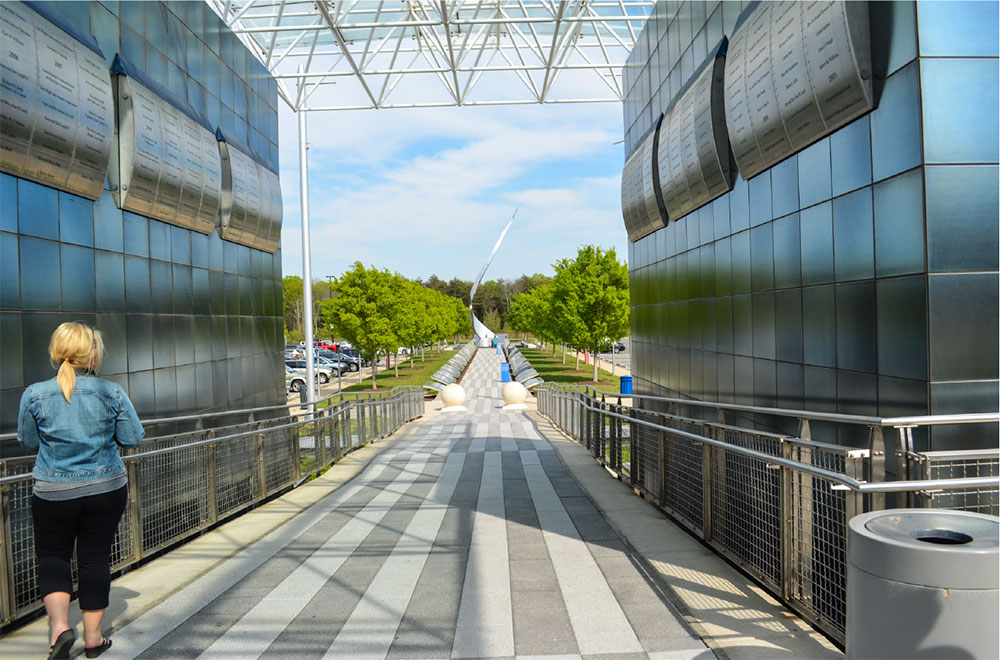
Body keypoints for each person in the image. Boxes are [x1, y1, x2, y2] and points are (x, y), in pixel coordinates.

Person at [17, 322, 144, 659]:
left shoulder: (34, 394)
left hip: (53, 491)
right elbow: (132, 438)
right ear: (92, 354)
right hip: (105, 488)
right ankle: (93, 638)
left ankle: (60, 628)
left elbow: (29, 441)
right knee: (94, 557)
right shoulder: (111, 392)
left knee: (53, 556)